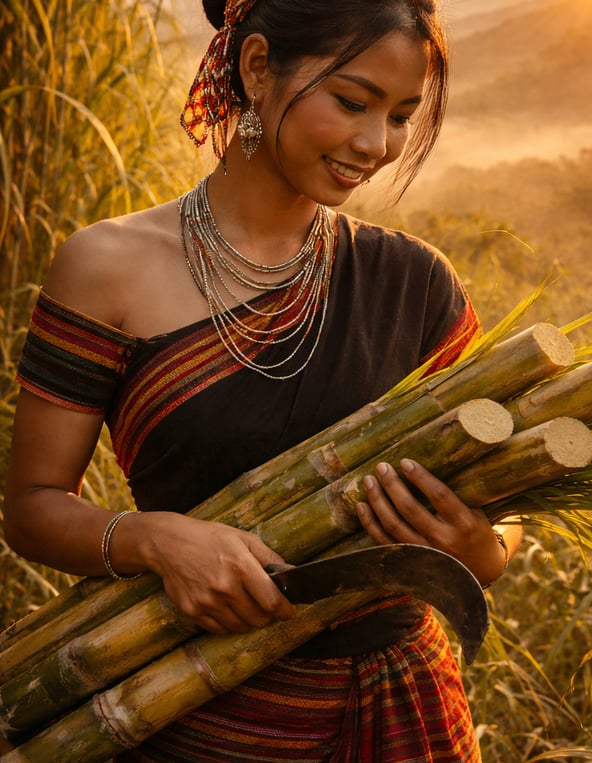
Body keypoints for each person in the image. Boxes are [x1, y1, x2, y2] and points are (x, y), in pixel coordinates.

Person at [4, 0, 522, 760]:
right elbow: (32, 508)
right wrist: (157, 539)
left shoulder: (414, 282)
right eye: (352, 101)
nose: (375, 144)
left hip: (405, 713)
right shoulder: (105, 268)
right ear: (254, 67)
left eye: (401, 116)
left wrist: (477, 546)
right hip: (197, 707)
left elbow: (507, 509)